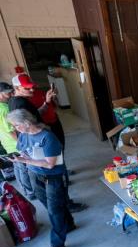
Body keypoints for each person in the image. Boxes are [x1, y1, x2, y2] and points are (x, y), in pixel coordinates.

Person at [9, 74, 86, 212]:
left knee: (54, 172)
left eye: (32, 87)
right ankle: (66, 206)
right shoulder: (19, 104)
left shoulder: (21, 100)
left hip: (42, 142)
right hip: (42, 143)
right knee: (55, 174)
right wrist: (45, 135)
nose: (32, 91)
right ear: (17, 88)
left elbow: (35, 116)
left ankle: (62, 206)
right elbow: (26, 127)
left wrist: (46, 102)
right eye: (27, 88)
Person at [7, 109, 75, 247]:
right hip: (34, 174)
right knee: (52, 205)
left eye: (16, 125)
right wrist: (20, 157)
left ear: (26, 123)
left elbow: (50, 164)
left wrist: (25, 160)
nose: (15, 129)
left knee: (54, 210)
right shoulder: (23, 135)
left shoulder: (47, 137)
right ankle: (68, 224)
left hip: (53, 177)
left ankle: (57, 243)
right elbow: (23, 151)